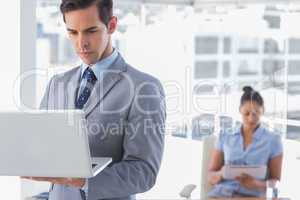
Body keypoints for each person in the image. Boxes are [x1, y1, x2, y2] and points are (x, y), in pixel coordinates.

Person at [22, 0, 166, 200]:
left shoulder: (144, 88)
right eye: (73, 32)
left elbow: (144, 172)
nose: (81, 43)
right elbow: (42, 148)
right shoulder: (57, 83)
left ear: (112, 26)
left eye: (91, 31)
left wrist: (83, 181)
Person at [207, 86, 283, 198]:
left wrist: (256, 184)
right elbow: (210, 176)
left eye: (256, 113)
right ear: (240, 110)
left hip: (252, 197)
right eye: (246, 113)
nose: (251, 119)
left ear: (263, 111)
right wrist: (221, 174)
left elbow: (276, 183)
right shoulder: (225, 136)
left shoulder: (273, 140)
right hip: (222, 195)